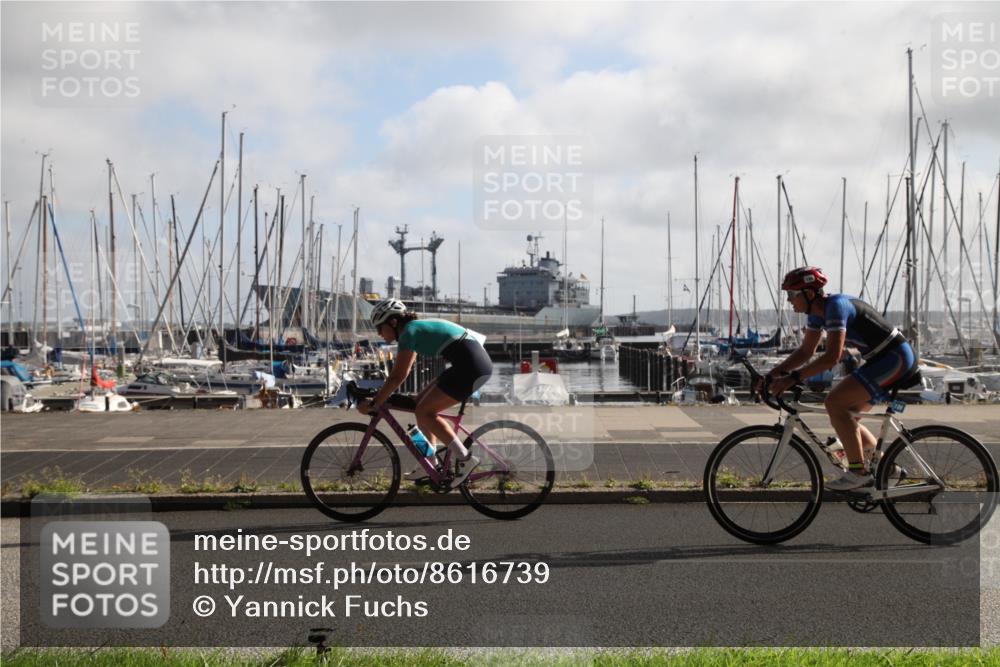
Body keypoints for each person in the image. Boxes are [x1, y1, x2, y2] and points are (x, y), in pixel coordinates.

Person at [764, 267, 917, 491]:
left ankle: (858, 473)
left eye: (792, 295)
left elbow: (832, 357)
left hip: (896, 358)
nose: (789, 301)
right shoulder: (817, 314)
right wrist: (770, 375)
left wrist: (792, 379)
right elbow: (805, 352)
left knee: (834, 403)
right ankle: (888, 470)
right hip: (881, 360)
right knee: (846, 418)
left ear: (809, 293)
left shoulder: (835, 307)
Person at [358, 298, 492, 488]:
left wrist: (376, 402)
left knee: (424, 412)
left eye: (380, 327)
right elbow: (400, 376)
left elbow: (398, 376)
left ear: (393, 322)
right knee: (418, 405)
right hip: (466, 363)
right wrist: (383, 398)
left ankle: (466, 458)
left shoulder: (409, 332)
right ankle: (430, 463)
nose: (379, 333)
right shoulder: (413, 331)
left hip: (470, 366)